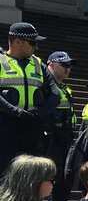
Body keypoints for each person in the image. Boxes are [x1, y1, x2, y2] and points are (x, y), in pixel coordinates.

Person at [0, 21, 51, 171]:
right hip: (5, 125)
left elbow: (53, 93)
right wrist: (14, 111)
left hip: (31, 125)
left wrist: (39, 112)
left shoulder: (38, 64)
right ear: (17, 42)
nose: (36, 47)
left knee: (30, 173)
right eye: (32, 42)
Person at [44, 50, 77, 201]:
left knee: (63, 182)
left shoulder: (65, 88)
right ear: (51, 64)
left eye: (69, 66)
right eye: (64, 65)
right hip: (49, 139)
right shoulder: (44, 84)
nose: (68, 69)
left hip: (64, 139)